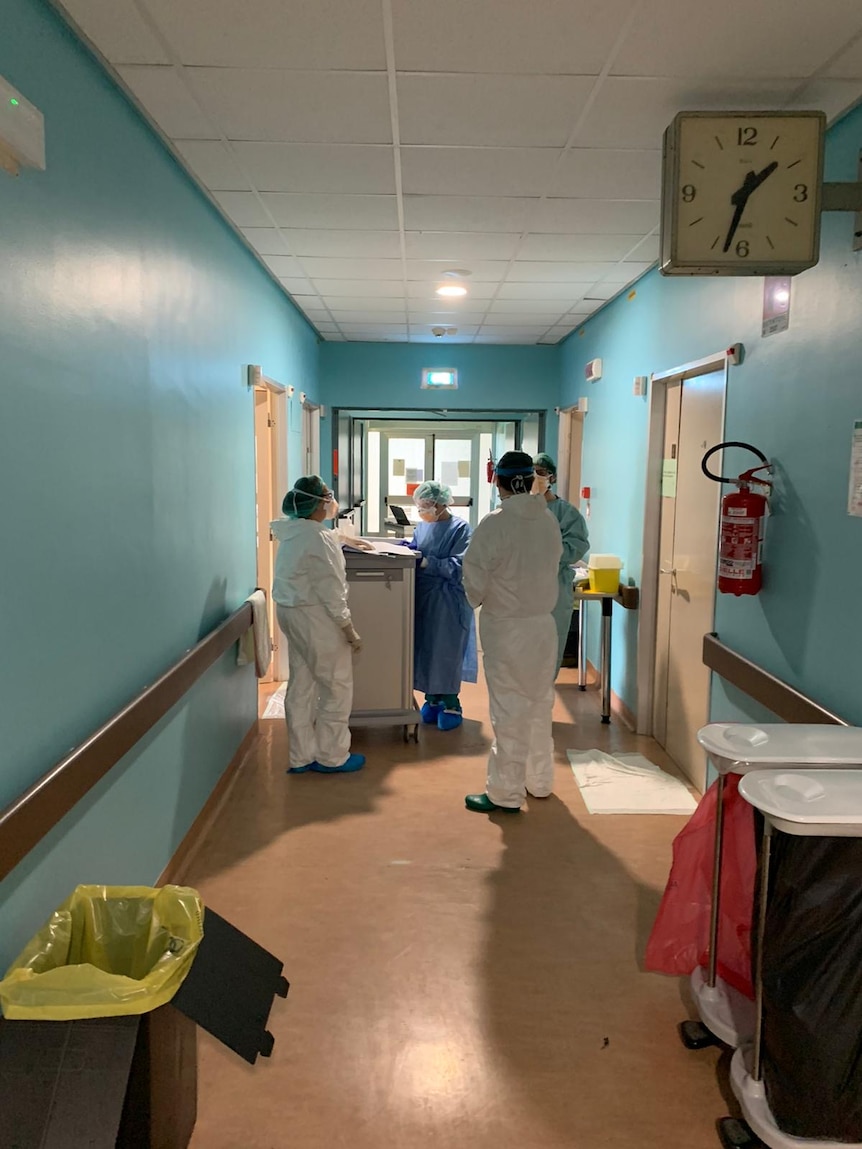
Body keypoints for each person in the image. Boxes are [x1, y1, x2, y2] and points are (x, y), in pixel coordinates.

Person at [462, 451, 562, 813]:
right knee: (538, 703)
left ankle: (504, 793)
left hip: (507, 628)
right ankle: (539, 781)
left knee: (509, 709)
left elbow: (473, 580)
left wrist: (477, 598)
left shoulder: (495, 523)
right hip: (542, 626)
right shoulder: (547, 520)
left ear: (498, 481)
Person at [271, 475, 365, 775]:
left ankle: (301, 756)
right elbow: (331, 589)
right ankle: (332, 756)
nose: (331, 501)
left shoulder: (294, 531)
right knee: (336, 686)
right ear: (316, 502)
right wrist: (347, 628)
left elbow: (313, 551)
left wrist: (343, 538)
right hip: (316, 618)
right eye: (327, 495)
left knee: (302, 683)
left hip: (291, 614)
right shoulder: (318, 538)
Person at [405, 481, 478, 731]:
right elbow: (417, 549)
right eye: (420, 506)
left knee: (445, 649)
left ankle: (450, 702)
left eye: (426, 505)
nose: (422, 510)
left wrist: (428, 563)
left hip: (448, 599)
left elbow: (461, 566)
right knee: (426, 649)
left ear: (440, 503)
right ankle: (432, 698)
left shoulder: (461, 528)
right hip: (424, 597)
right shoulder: (422, 527)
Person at [533, 452, 590, 670]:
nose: (536, 477)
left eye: (542, 473)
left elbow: (574, 548)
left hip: (554, 590)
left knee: (548, 652)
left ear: (552, 478)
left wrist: (541, 554)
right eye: (532, 473)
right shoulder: (519, 511)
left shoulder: (567, 513)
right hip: (520, 591)